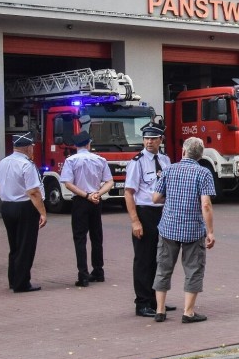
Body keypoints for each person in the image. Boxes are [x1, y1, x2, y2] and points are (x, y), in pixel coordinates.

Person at [152, 136, 216, 323]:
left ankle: (160, 310)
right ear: (201, 155)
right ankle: (188, 312)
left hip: (168, 227)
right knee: (193, 269)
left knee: (163, 268)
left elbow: (155, 198)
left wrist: (171, 201)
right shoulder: (203, 173)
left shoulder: (169, 170)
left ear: (183, 152)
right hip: (193, 229)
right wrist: (210, 231)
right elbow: (206, 204)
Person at [124, 123, 177, 317]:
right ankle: (142, 302)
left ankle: (157, 300)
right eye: (146, 138)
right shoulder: (137, 162)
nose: (149, 142)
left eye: (153, 138)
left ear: (160, 140)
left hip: (162, 212)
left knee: (161, 258)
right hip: (144, 213)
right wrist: (135, 221)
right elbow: (129, 193)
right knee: (144, 260)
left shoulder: (165, 160)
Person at [0, 132, 46, 292]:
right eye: (32, 147)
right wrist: (42, 212)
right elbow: (33, 192)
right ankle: (22, 282)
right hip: (25, 206)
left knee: (14, 245)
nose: (32, 150)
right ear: (28, 148)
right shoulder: (26, 164)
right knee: (26, 245)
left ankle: (13, 278)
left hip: (7, 205)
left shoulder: (3, 162)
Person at [60, 130, 113, 287]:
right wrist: (97, 194)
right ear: (89, 144)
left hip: (80, 201)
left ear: (76, 145)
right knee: (97, 237)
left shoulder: (71, 160)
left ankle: (83, 275)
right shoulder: (100, 159)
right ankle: (98, 270)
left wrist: (86, 195)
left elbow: (68, 183)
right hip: (96, 202)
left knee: (80, 238)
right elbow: (110, 182)